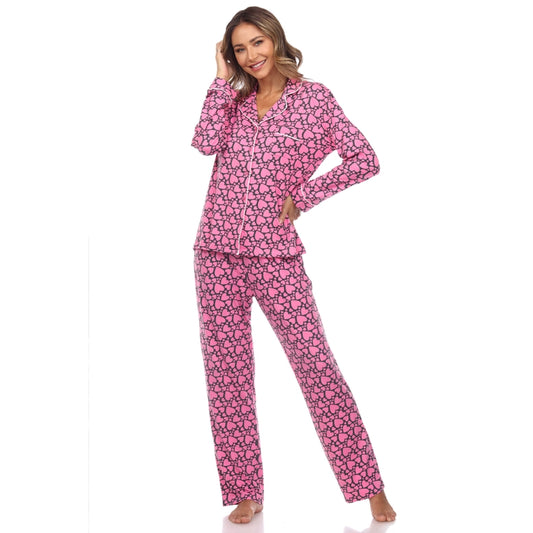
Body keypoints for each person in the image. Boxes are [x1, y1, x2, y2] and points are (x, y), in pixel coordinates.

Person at [191, 6, 396, 525]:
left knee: (317, 368)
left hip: (277, 254)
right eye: (239, 49)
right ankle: (245, 492)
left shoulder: (315, 100)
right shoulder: (233, 102)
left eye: (257, 43)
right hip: (215, 253)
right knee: (227, 376)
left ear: (276, 40)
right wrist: (219, 81)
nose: (250, 56)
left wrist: (303, 197)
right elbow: (204, 144)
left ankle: (369, 486)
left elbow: (365, 159)